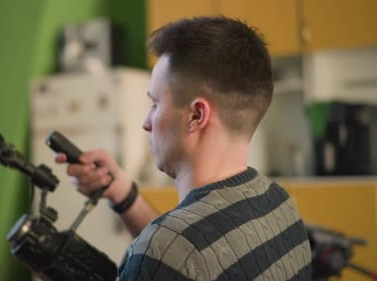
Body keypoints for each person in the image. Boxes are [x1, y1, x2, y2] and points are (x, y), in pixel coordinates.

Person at [55, 16, 312, 280]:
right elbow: (191, 250)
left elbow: (176, 254)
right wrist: (123, 194)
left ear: (196, 116)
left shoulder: (166, 251)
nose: (146, 123)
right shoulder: (280, 205)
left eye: (155, 104)